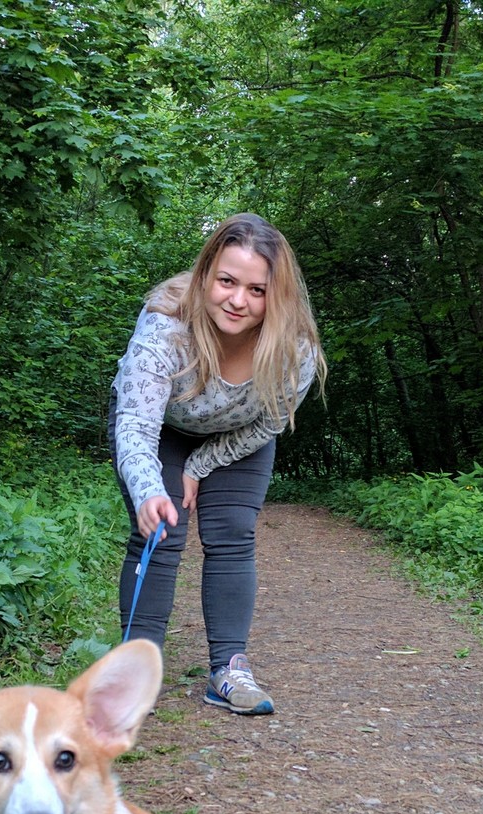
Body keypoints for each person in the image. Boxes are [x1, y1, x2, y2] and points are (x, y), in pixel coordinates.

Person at [109, 213, 327, 715]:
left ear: (278, 295)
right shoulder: (165, 325)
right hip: (159, 429)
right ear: (206, 274)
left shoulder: (297, 349)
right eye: (227, 282)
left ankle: (229, 668)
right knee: (160, 533)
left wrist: (199, 466)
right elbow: (136, 427)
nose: (238, 300)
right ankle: (135, 673)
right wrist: (149, 491)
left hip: (237, 440)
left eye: (257, 290)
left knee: (232, 533)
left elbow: (269, 424)